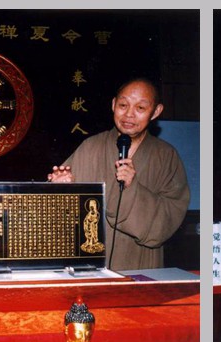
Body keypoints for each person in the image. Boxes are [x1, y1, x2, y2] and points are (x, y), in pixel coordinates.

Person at [47, 78, 190, 271]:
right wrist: (62, 187)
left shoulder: (166, 156)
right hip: (90, 265)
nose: (129, 114)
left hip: (140, 263)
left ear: (156, 112)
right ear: (113, 104)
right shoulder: (90, 147)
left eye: (140, 108)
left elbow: (170, 217)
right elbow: (55, 213)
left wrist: (133, 189)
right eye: (123, 105)